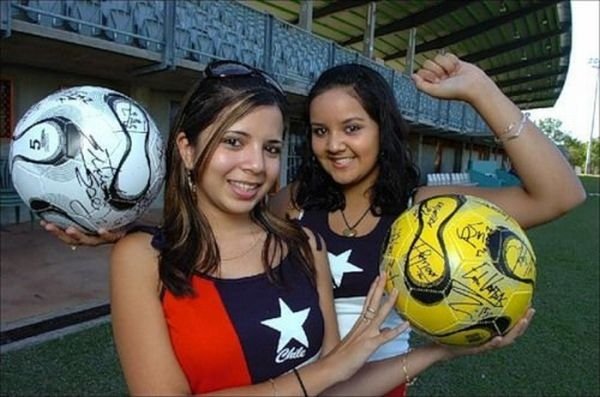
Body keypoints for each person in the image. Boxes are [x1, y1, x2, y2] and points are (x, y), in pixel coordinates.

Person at [105, 59, 532, 395]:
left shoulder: (304, 245)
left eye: (271, 148)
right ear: (187, 148)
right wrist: (106, 225)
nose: (255, 165)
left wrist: (441, 350)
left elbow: (336, 387)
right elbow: (325, 378)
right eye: (233, 141)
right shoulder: (142, 258)